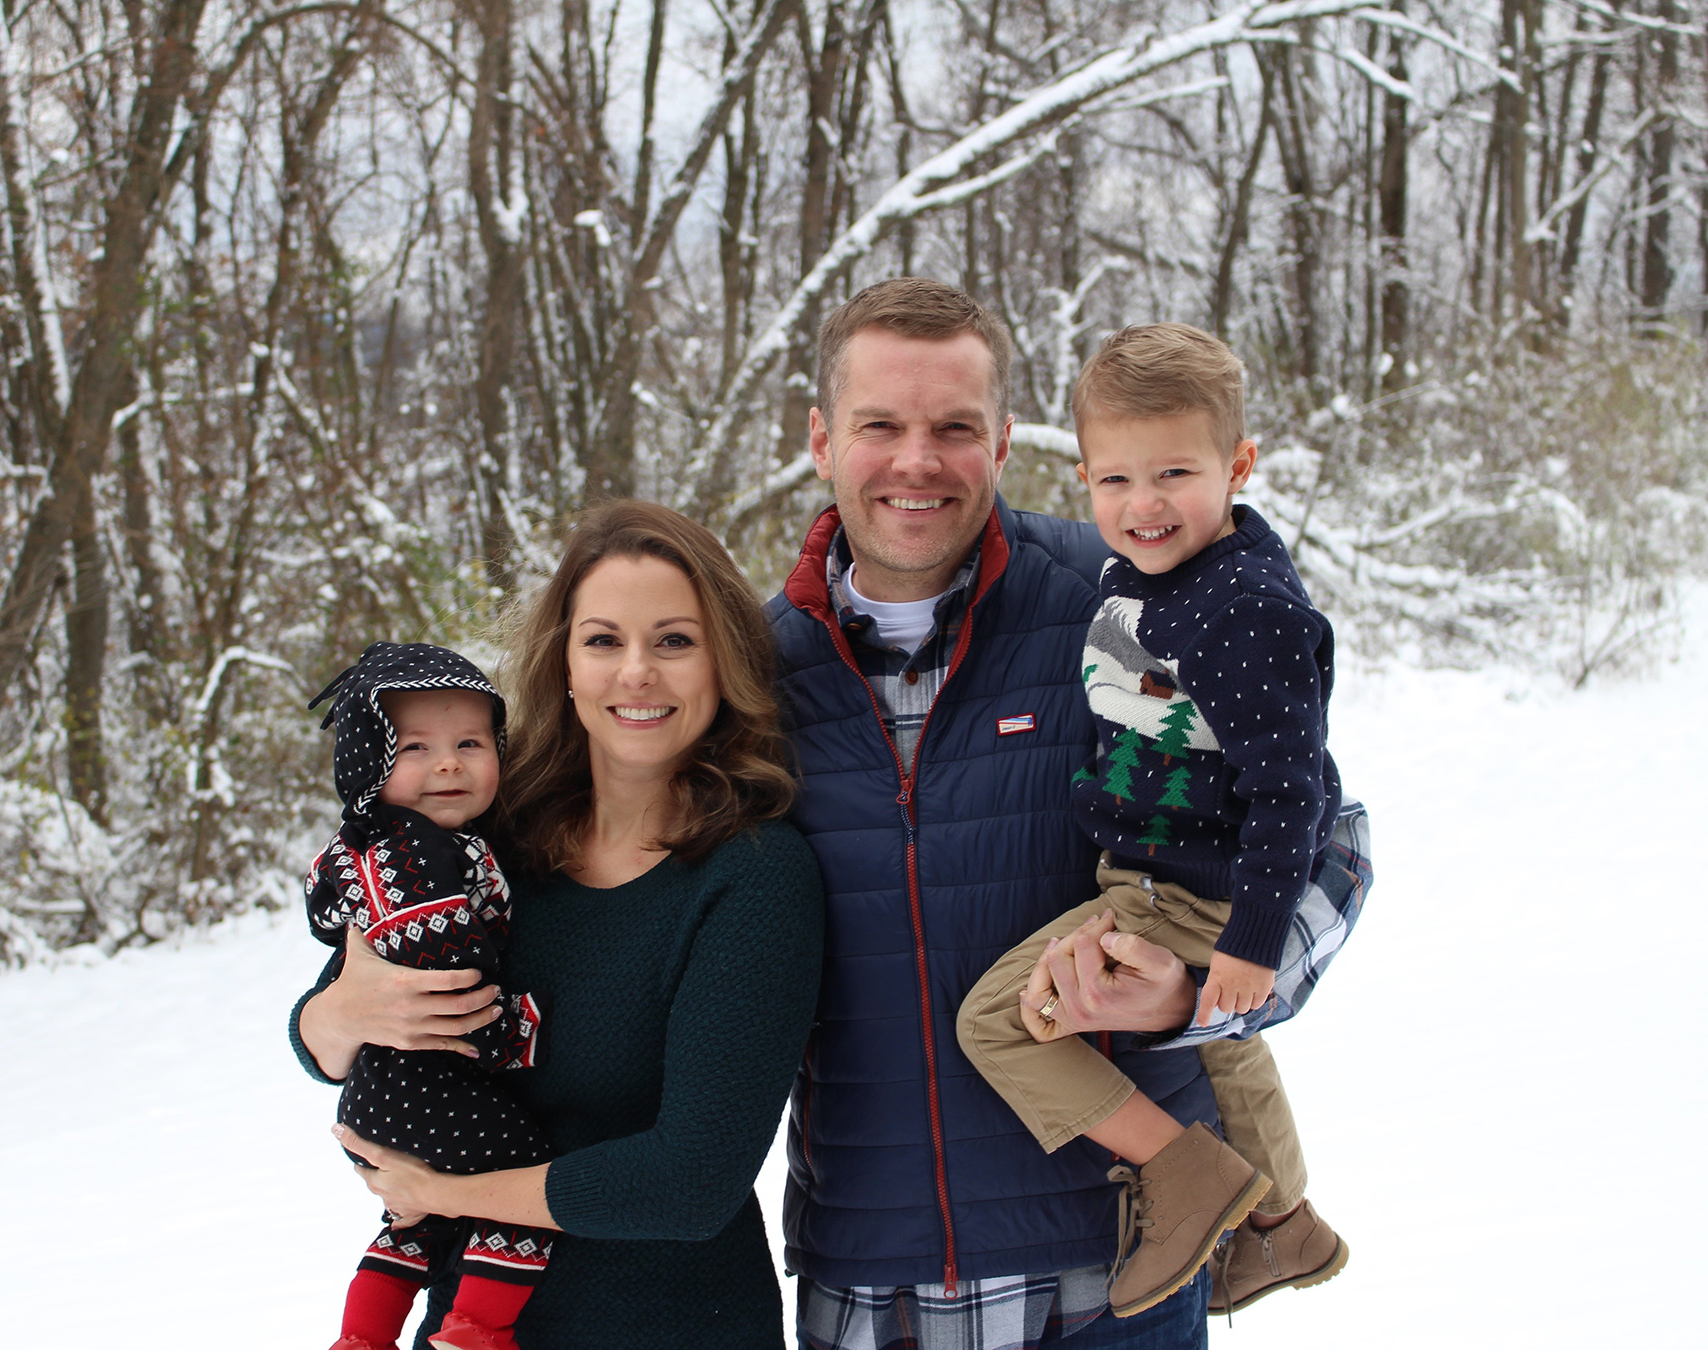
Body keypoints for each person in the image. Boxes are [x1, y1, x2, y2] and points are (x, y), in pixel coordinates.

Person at [769, 279, 1225, 1350]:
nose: (916, 461)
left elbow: (1318, 845)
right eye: (881, 424)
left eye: (955, 428)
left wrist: (1197, 987)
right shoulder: (751, 674)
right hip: (871, 1293)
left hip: (1117, 1273)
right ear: (822, 437)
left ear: (1006, 439)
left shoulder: (1126, 610)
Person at [290, 500, 825, 1350]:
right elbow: (337, 1021)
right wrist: (335, 1019)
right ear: (566, 665)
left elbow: (691, 1183)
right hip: (464, 1323)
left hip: (672, 1324)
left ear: (723, 663)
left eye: (675, 642)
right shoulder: (492, 843)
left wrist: (446, 1194)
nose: (637, 673)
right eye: (604, 640)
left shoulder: (753, 875)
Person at [956, 323, 1369, 1320]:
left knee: (998, 1025)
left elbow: (1292, 791)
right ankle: (1284, 1226)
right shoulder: (1157, 576)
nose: (1144, 507)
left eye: (1175, 474)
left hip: (1179, 894)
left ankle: (1185, 1177)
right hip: (1154, 878)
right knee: (1225, 1048)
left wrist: (1252, 943)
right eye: (1115, 482)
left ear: (1238, 464)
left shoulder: (1240, 611)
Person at [303, 641, 557, 1350]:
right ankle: (479, 1327)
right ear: (367, 763)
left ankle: (363, 1336)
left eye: (470, 742)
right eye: (414, 747)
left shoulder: (387, 843)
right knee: (520, 1187)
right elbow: (447, 973)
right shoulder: (411, 852)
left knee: (419, 1221)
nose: (448, 763)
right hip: (427, 1078)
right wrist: (511, 1033)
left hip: (384, 1092)